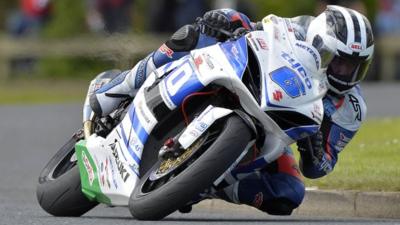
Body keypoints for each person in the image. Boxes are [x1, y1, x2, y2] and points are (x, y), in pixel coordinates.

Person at [87, 5, 374, 215]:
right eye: (340, 60)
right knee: (194, 33)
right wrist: (228, 20)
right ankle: (121, 86)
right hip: (247, 79)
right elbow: (260, 25)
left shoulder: (350, 108)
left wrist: (314, 148)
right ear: (320, 44)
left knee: (289, 193)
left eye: (354, 66)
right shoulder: (298, 28)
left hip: (274, 128)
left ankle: (203, 184)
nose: (345, 72)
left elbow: (322, 166)